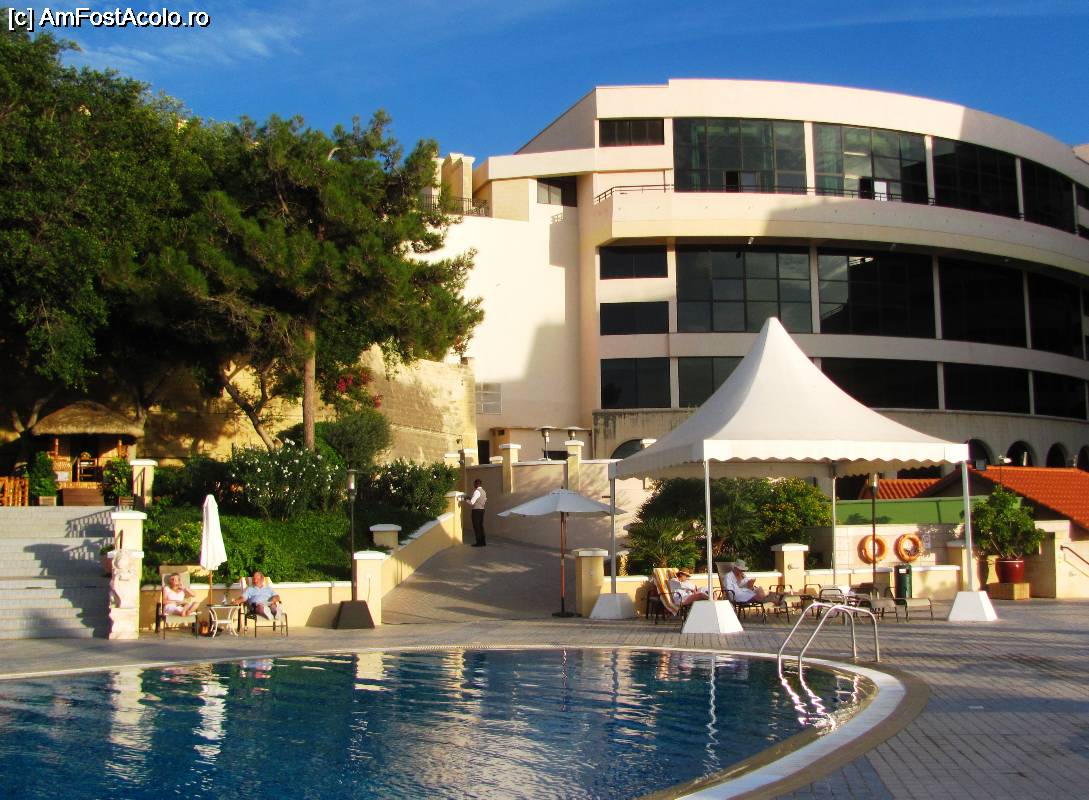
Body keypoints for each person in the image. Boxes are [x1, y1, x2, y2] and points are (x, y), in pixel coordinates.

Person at [463, 479, 487, 547]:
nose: (473, 485)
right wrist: (470, 498)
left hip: (476, 510)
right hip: (482, 510)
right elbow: (479, 500)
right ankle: (483, 542)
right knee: (480, 526)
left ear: (476, 484)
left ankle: (479, 543)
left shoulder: (477, 491)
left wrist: (465, 499)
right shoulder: (483, 491)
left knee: (476, 527)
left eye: (474, 484)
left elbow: (472, 503)